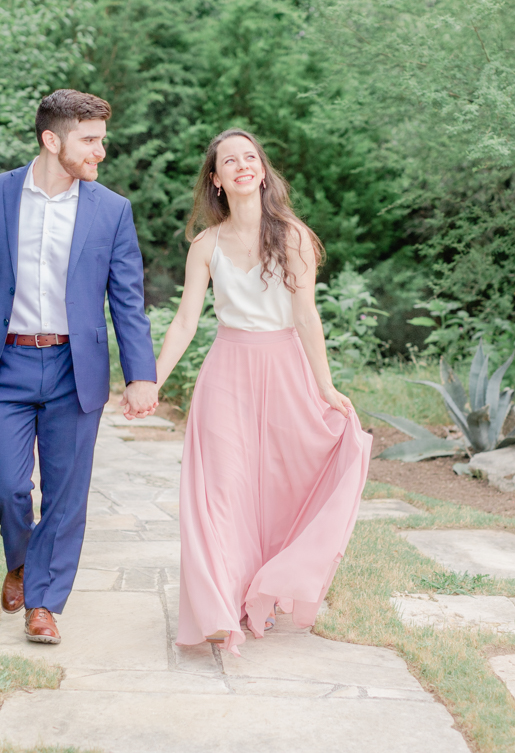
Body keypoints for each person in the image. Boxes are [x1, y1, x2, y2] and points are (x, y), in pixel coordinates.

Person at [0, 89, 158, 645]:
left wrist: (142, 375)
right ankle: (19, 559)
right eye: (89, 140)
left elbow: (127, 300)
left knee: (66, 495)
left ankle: (44, 604)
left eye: (101, 140)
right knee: (5, 486)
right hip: (1, 364)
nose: (100, 152)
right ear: (51, 140)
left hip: (73, 367)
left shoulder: (111, 210)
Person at [155, 128, 372, 655]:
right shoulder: (205, 246)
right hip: (226, 373)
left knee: (276, 488)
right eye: (230, 161)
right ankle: (222, 609)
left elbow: (306, 315)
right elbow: (186, 321)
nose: (242, 165)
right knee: (222, 493)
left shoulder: (293, 237)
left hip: (284, 371)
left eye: (250, 157)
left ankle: (263, 593)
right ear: (217, 179)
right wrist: (151, 381)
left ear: (262, 170)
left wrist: (324, 385)